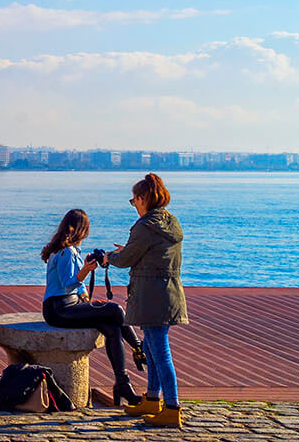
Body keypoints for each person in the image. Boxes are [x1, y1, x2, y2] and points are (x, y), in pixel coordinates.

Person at [108, 173, 188, 429]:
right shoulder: (171, 222)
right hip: (169, 293)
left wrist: (110, 257)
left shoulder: (144, 226)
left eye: (134, 202)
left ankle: (172, 407)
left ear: (143, 199)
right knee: (152, 348)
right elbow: (154, 256)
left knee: (160, 350)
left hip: (151, 296)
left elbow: (125, 260)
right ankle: (153, 399)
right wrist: (130, 252)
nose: (135, 206)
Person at [40, 209, 144, 406]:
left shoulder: (70, 251)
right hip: (59, 309)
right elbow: (67, 283)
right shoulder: (66, 252)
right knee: (114, 310)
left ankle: (123, 386)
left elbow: (76, 286)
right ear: (83, 230)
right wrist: (86, 270)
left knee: (112, 329)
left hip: (67, 306)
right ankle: (139, 347)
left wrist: (86, 299)